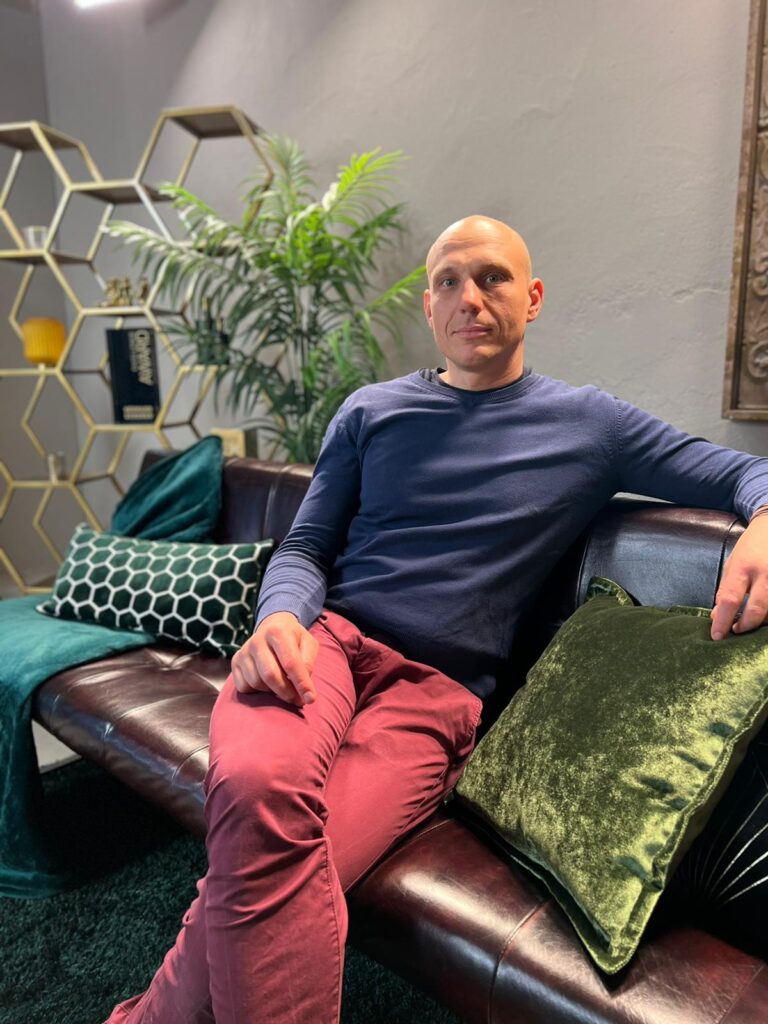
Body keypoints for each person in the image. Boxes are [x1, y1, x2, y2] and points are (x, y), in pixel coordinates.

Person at [106, 216, 768, 1024]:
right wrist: (279, 619)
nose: (469, 298)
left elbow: (744, 470)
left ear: (533, 298)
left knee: (266, 872)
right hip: (323, 647)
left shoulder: (592, 425)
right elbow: (306, 546)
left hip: (435, 698)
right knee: (254, 785)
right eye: (449, 281)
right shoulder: (371, 411)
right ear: (429, 306)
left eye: (492, 278)